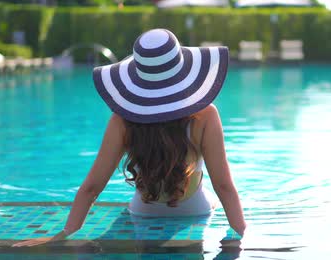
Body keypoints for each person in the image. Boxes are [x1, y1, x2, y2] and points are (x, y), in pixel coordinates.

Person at [14, 29, 246, 247]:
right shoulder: (206, 115)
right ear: (182, 70)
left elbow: (92, 188)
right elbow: (224, 186)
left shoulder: (122, 120)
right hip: (194, 211)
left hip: (143, 212)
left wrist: (63, 235)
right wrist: (241, 235)